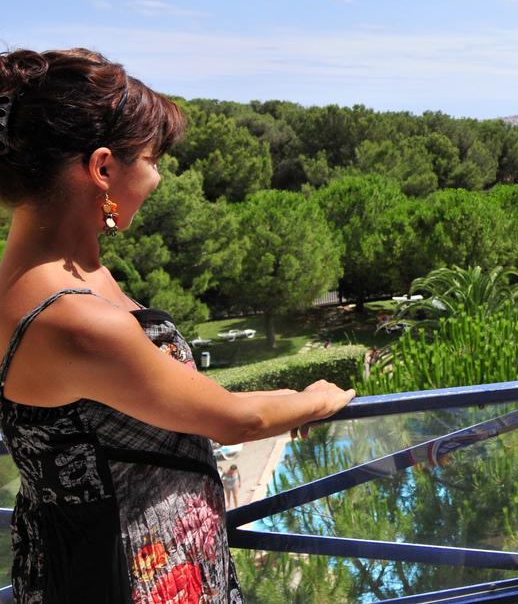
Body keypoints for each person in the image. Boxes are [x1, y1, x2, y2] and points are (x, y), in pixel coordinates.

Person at [0, 48, 356, 603]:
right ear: (102, 169)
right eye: (152, 158)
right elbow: (239, 419)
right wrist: (317, 398)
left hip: (72, 554)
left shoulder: (42, 278)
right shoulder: (74, 317)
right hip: (134, 570)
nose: (158, 176)